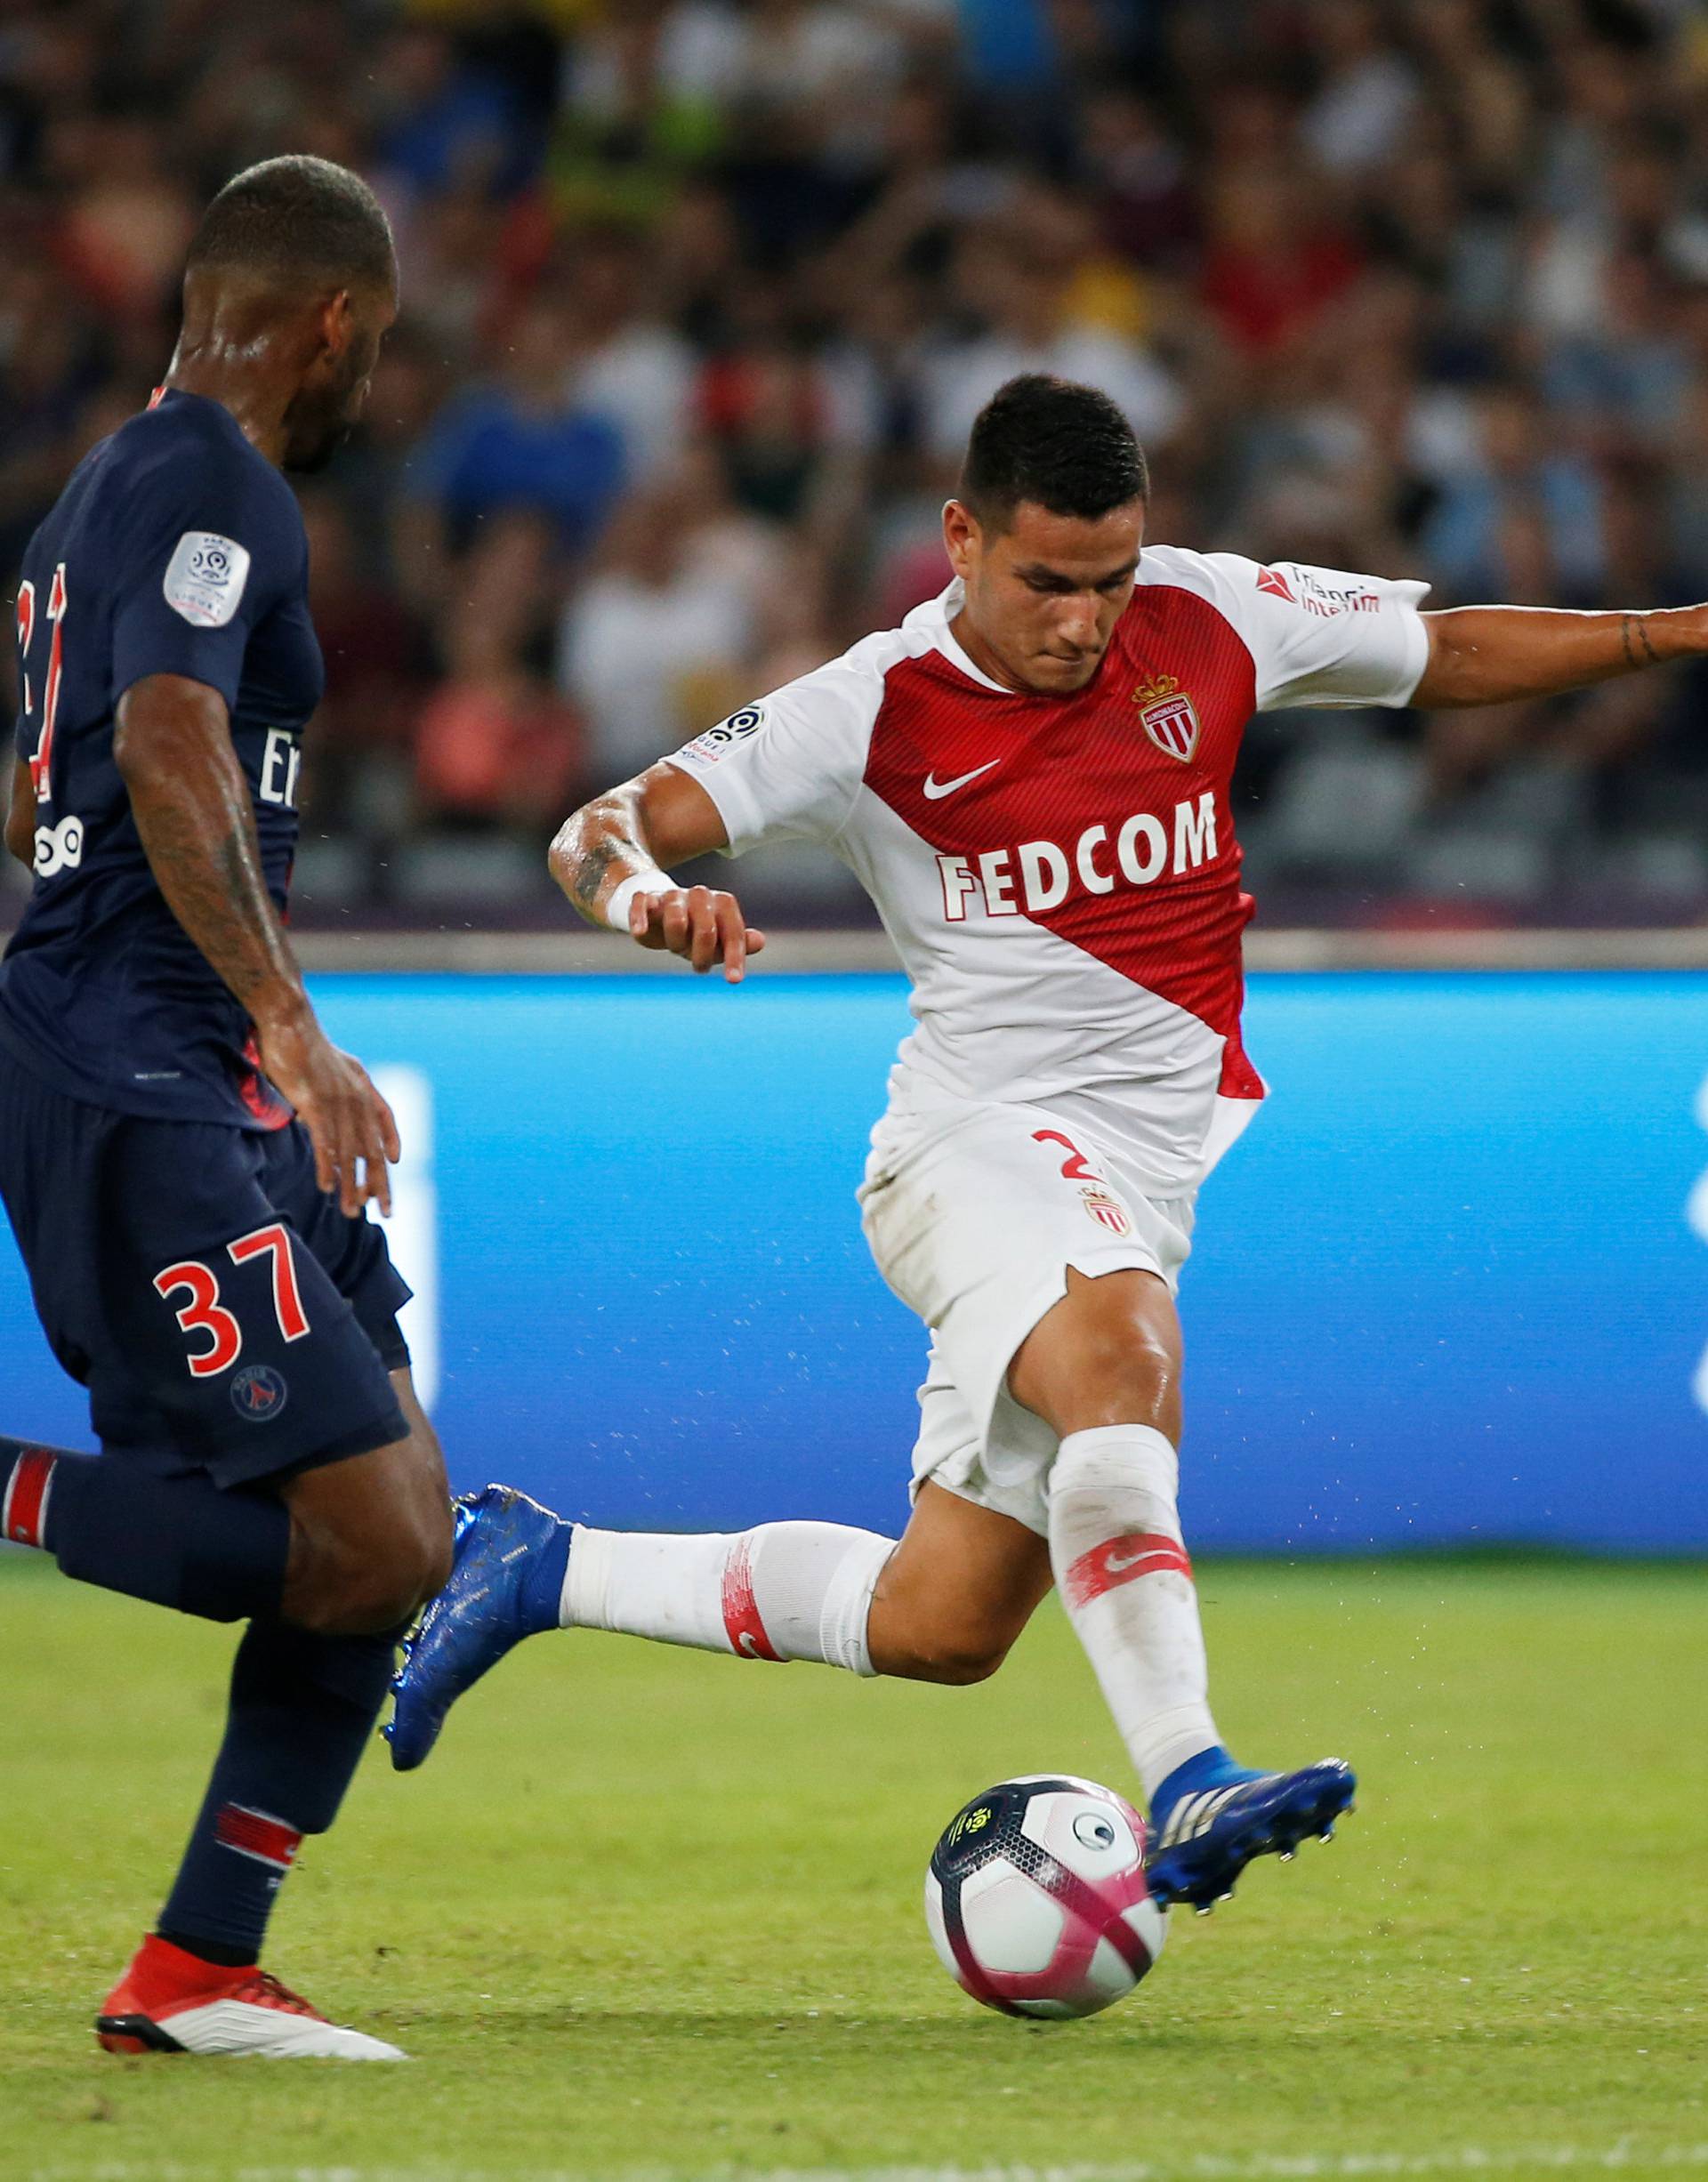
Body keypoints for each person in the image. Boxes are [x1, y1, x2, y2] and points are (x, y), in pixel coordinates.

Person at [389, 370, 1695, 1916]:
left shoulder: (1210, 615)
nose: (1083, 622)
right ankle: (1193, 1771)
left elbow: (1451, 647)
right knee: (1122, 1349)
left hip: (1140, 1166)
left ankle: (543, 1562)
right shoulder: (867, 706)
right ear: (958, 537)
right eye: (1046, 584)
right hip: (977, 1145)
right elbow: (594, 828)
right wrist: (647, 901)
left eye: (1110, 580)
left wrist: (1675, 633)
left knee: (944, 1617)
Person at [0, 157, 452, 2059]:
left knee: (399, 1509)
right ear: (335, 323)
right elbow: (167, 731)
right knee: (369, 1538)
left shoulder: (101, 491)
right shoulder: (211, 479)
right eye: (383, 346)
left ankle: (200, 1963)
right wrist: (282, 1015)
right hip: (156, 1067)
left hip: (157, 1059)